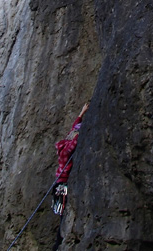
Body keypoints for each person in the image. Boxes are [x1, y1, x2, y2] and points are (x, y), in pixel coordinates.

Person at [52, 102, 89, 249]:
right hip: (62, 185)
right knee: (62, 215)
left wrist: (82, 113)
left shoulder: (64, 143)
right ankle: (58, 244)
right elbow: (75, 141)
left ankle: (58, 242)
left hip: (58, 184)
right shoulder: (67, 150)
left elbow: (74, 129)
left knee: (62, 214)